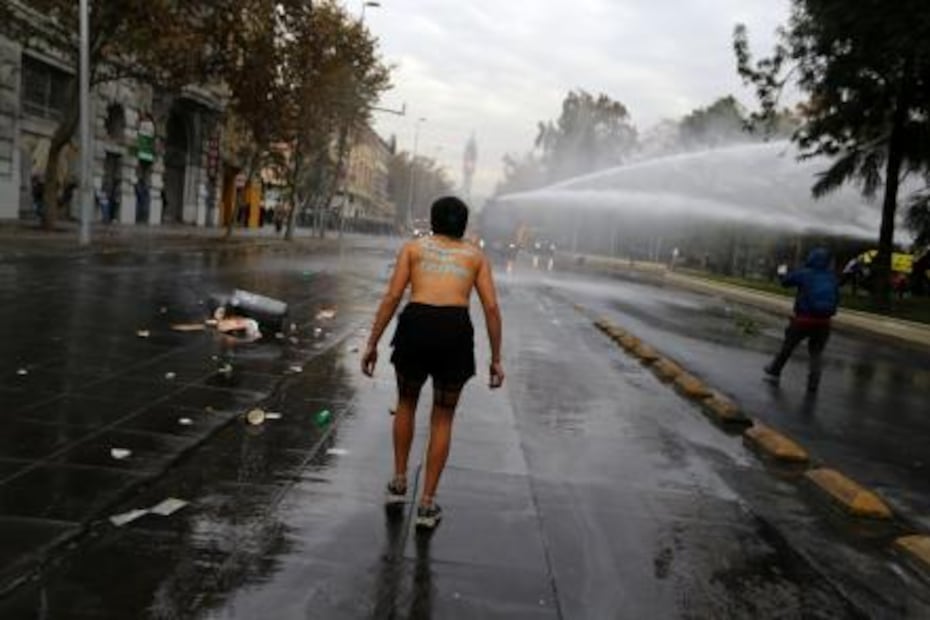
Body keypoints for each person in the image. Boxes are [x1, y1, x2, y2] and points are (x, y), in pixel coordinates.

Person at [362, 196, 505, 530]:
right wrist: (496, 359)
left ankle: (399, 484)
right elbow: (492, 309)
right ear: (464, 225)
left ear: (432, 220)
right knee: (443, 418)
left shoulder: (413, 249)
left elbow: (393, 297)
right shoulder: (475, 257)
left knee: (406, 403)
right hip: (454, 331)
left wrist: (372, 343)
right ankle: (426, 504)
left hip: (416, 324)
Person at [763, 248, 839, 393]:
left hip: (803, 320)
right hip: (824, 322)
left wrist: (781, 272)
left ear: (811, 258)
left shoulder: (805, 274)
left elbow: (785, 282)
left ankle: (774, 370)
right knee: (816, 353)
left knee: (788, 346)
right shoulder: (831, 277)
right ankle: (813, 382)